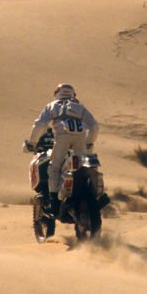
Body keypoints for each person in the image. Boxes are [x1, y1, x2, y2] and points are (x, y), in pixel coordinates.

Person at [24, 83, 99, 217]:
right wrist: (89, 143)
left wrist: (32, 142)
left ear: (57, 94)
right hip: (80, 138)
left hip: (62, 137)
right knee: (81, 168)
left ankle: (54, 203)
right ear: (73, 94)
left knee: (54, 167)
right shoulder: (80, 107)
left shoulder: (53, 106)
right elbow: (94, 126)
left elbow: (39, 125)